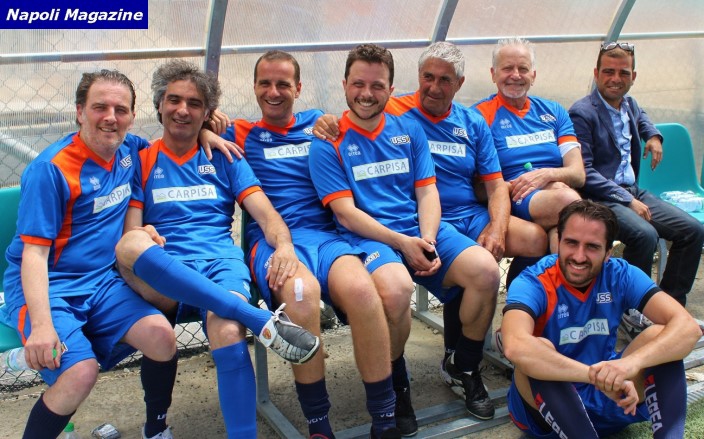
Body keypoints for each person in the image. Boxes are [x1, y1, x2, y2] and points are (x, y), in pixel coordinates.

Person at [312, 41, 547, 407]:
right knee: (397, 291)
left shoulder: (439, 125)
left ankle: (465, 364)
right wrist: (322, 120)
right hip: (378, 237)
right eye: (428, 77)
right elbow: (345, 210)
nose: (367, 93)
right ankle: (396, 385)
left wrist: (435, 237)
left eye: (445, 79)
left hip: (433, 225)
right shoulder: (353, 129)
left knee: (489, 268)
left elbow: (444, 190)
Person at [113, 60, 320, 439]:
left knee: (226, 330)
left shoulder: (225, 157)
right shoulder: (141, 160)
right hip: (166, 271)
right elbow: (132, 233)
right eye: (174, 100)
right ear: (159, 105)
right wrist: (147, 234)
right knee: (154, 322)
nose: (182, 110)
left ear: (207, 112)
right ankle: (258, 320)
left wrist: (285, 245)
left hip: (220, 264)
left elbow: (266, 214)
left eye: (194, 103)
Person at [216, 50, 400, 439]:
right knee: (302, 298)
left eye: (283, 84)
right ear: (254, 87)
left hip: (325, 236)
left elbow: (359, 125)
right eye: (265, 83)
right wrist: (205, 129)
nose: (274, 92)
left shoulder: (317, 123)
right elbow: (192, 128)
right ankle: (319, 424)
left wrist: (328, 121)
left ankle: (385, 418)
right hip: (273, 241)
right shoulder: (240, 132)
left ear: (298, 88)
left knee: (363, 293)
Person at [0, 69, 179, 439]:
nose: (110, 117)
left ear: (132, 116)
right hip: (48, 288)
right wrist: (43, 326)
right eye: (100, 107)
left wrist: (208, 130)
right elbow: (34, 256)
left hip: (102, 282)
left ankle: (156, 429)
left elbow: (173, 142)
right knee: (80, 373)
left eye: (120, 109)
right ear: (80, 112)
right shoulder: (51, 170)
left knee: (162, 337)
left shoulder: (130, 150)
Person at [500, 199, 701, 438]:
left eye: (592, 247)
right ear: (558, 242)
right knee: (536, 349)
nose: (579, 256)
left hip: (610, 396)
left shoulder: (621, 274)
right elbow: (515, 345)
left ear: (608, 253)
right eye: (571, 243)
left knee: (662, 336)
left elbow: (688, 328)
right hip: (549, 410)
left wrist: (630, 364)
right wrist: (594, 376)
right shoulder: (533, 280)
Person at [568, 41, 704, 309]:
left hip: (633, 192)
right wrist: (627, 200)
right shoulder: (582, 113)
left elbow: (641, 116)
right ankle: (630, 308)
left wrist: (653, 136)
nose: (615, 79)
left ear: (633, 77)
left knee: (693, 231)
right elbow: (585, 173)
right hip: (600, 198)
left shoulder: (629, 104)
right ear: (596, 74)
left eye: (624, 73)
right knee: (645, 235)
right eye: (608, 72)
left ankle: (670, 305)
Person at [472, 37, 585, 285]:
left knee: (559, 232)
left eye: (523, 69)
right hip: (515, 197)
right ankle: (562, 300)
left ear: (533, 75)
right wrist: (511, 186)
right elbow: (475, 186)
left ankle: (527, 298)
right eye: (507, 68)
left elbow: (578, 173)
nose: (516, 75)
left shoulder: (554, 111)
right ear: (493, 74)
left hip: (555, 195)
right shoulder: (479, 116)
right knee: (570, 205)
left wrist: (547, 175)